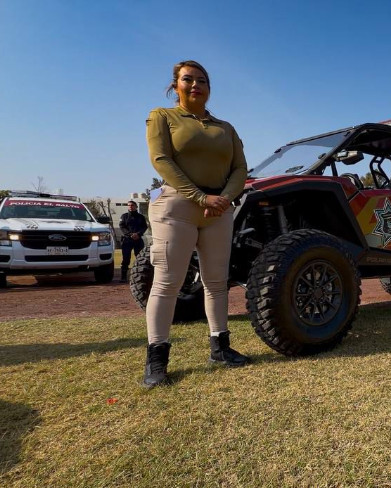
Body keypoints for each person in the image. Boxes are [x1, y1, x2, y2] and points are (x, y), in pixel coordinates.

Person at [142, 60, 249, 388]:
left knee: (216, 282)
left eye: (202, 80)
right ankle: (157, 359)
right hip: (178, 205)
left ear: (209, 88)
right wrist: (201, 197)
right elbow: (161, 159)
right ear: (175, 85)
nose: (195, 85)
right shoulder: (163, 116)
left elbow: (240, 168)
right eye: (187, 79)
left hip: (218, 210)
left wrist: (224, 199)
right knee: (167, 282)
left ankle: (220, 347)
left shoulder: (226, 128)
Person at [118, 201, 148, 282]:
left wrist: (138, 234)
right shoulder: (124, 216)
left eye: (132, 205)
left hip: (138, 240)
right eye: (129, 205)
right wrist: (130, 234)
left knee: (140, 258)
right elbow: (122, 226)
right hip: (127, 240)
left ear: (136, 206)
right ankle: (123, 277)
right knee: (126, 259)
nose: (130, 207)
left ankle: (141, 276)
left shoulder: (141, 217)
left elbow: (144, 227)